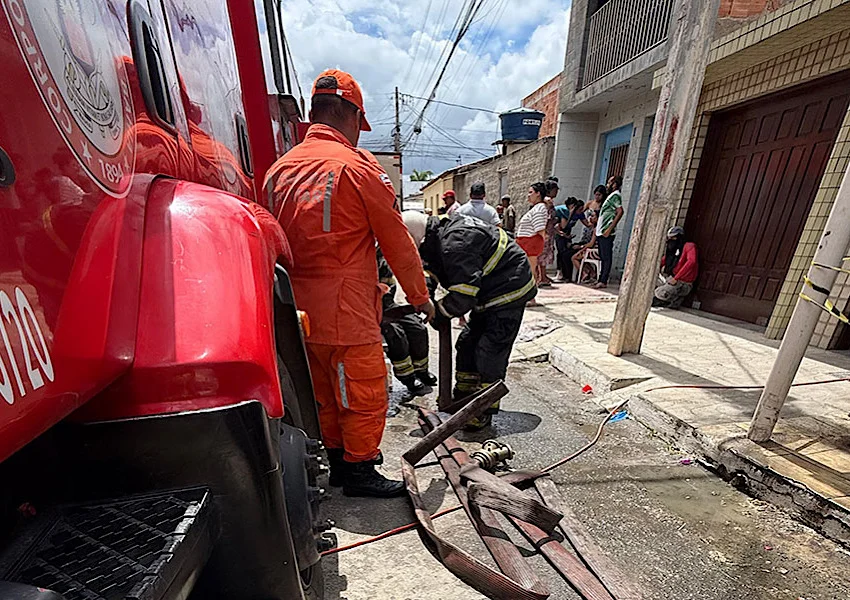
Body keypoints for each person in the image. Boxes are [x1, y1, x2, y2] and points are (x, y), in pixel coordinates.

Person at [264, 69, 435, 498]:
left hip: (293, 309)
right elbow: (397, 242)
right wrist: (421, 297)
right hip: (347, 307)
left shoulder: (277, 171)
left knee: (322, 390)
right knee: (361, 389)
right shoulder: (357, 168)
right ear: (353, 116)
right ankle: (359, 469)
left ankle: (338, 463)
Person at [401, 211, 536, 430]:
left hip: (508, 291)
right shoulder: (436, 238)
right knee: (466, 344)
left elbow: (463, 296)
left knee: (489, 350)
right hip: (488, 292)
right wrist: (425, 297)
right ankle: (463, 399)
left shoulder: (455, 243)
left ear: (415, 239)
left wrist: (439, 313)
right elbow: (431, 271)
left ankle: (482, 410)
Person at [377, 248, 437, 394]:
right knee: (395, 332)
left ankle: (421, 371)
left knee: (417, 327)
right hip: (368, 310)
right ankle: (408, 377)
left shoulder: (382, 258)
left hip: (386, 305)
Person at [514, 182, 548, 302]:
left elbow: (540, 228)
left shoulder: (539, 208)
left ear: (538, 194)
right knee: (527, 270)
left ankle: (531, 297)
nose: (528, 195)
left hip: (530, 242)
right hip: (526, 242)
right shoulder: (537, 208)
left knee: (530, 271)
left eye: (531, 192)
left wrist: (543, 240)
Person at [654, 226, 699, 308]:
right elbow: (663, 261)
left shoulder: (689, 246)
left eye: (673, 238)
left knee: (659, 293)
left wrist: (676, 278)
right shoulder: (673, 251)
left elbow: (691, 261)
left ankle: (672, 299)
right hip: (670, 278)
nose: (671, 240)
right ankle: (669, 298)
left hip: (683, 282)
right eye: (669, 238)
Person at [593, 175, 624, 289]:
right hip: (601, 230)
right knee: (602, 256)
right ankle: (600, 278)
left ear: (614, 184)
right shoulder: (610, 196)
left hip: (606, 231)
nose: (607, 185)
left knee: (606, 257)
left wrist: (609, 229)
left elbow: (620, 211)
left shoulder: (616, 196)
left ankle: (603, 280)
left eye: (610, 182)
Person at [554, 197, 586, 282]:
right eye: (580, 209)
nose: (581, 211)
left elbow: (587, 223)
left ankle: (567, 275)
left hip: (567, 233)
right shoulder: (565, 211)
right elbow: (563, 226)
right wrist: (570, 214)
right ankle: (560, 272)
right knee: (561, 252)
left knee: (567, 252)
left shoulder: (580, 214)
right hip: (560, 232)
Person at [537, 178, 560, 286]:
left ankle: (542, 275)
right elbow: (547, 217)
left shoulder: (543, 200)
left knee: (543, 254)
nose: (556, 192)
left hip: (547, 231)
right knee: (543, 255)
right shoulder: (548, 201)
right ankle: (541, 277)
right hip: (545, 232)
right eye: (555, 190)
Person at [572, 211, 599, 283]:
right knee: (582, 257)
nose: (590, 218)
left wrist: (582, 248)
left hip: (594, 251)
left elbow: (591, 244)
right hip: (594, 250)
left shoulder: (596, 229)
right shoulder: (593, 228)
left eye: (593, 216)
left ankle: (584, 273)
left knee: (574, 258)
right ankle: (592, 273)